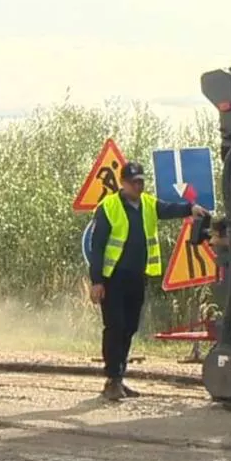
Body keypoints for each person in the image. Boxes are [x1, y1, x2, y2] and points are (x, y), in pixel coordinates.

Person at [87, 161, 209, 401]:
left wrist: (191, 208)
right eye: (135, 182)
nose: (139, 186)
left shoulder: (147, 204)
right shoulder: (108, 207)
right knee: (115, 327)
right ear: (123, 183)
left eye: (142, 181)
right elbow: (97, 247)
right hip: (113, 279)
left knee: (130, 328)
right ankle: (112, 379)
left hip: (136, 277)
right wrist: (97, 281)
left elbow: (168, 208)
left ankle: (119, 378)